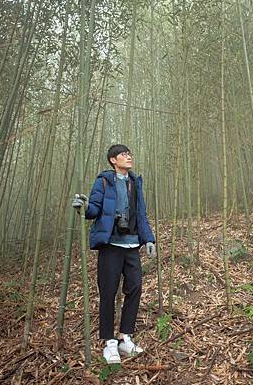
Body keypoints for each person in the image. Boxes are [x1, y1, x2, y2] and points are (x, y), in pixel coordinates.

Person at [72, 144, 156, 364]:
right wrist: (84, 206)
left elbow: (142, 214)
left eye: (130, 153)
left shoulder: (135, 182)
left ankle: (125, 338)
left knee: (136, 287)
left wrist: (149, 239)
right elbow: (94, 210)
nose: (129, 157)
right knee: (108, 292)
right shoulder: (104, 181)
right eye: (123, 154)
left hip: (131, 245)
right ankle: (109, 342)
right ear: (112, 160)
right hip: (110, 244)